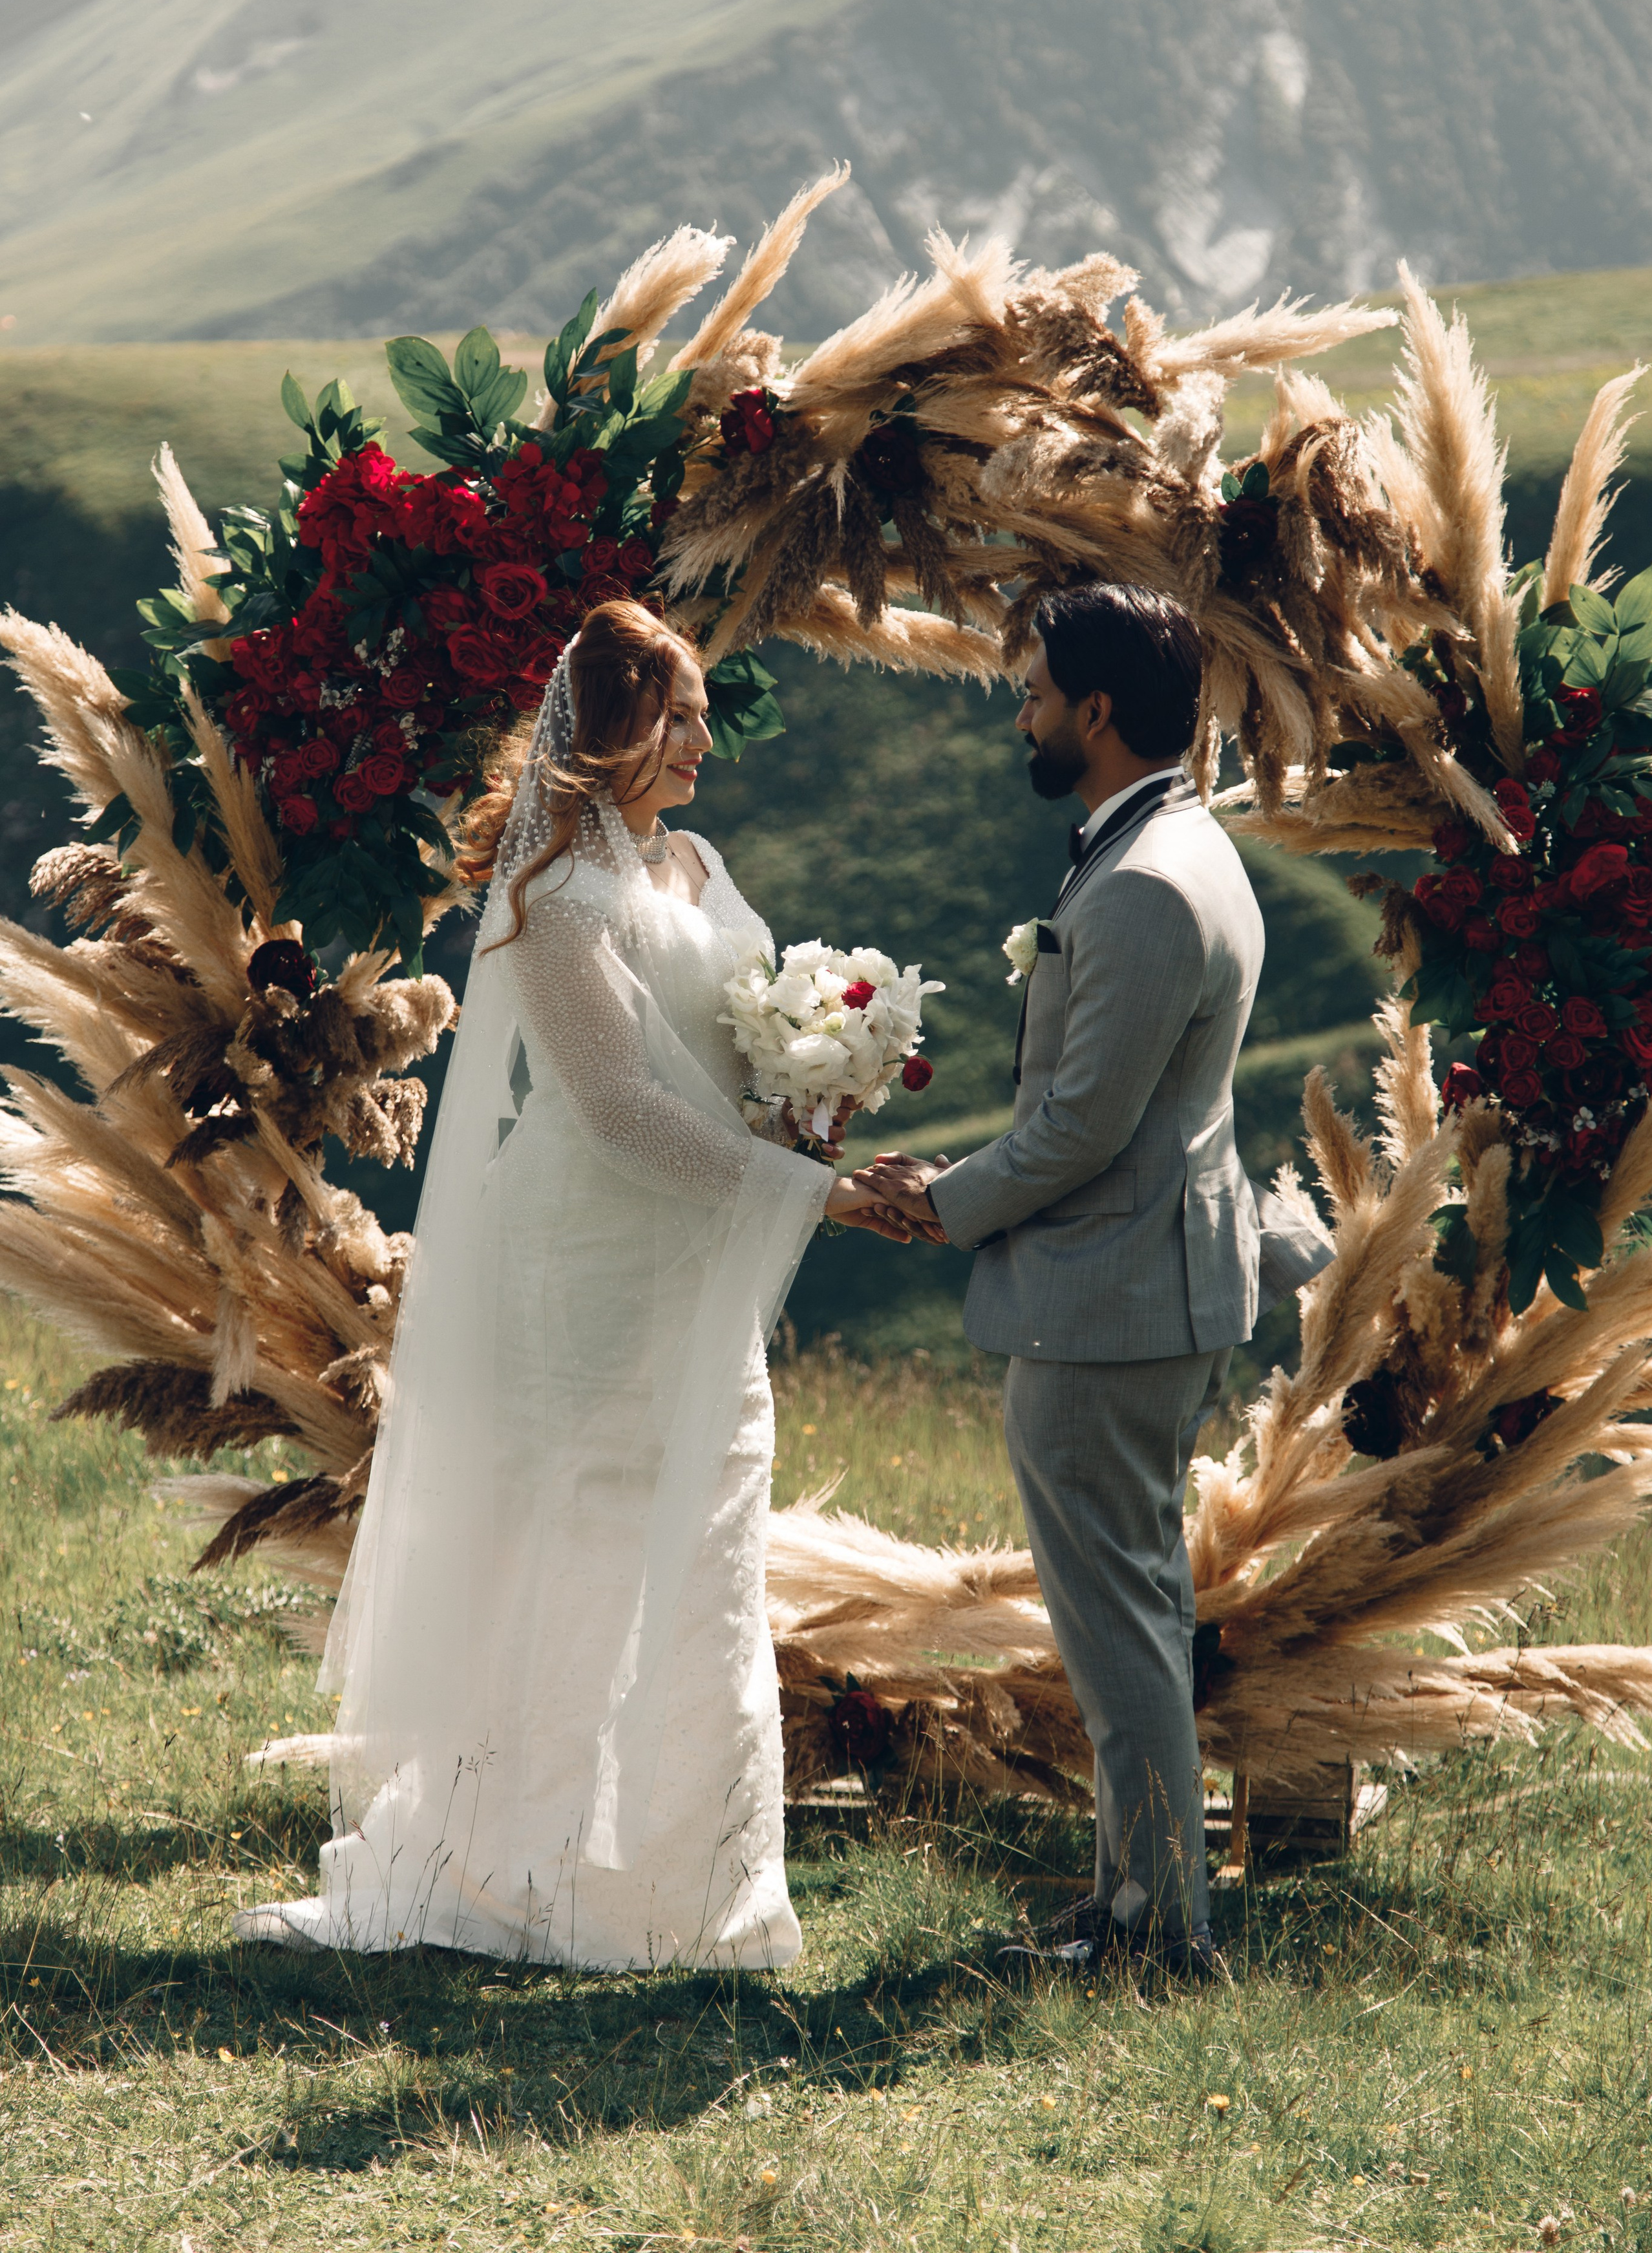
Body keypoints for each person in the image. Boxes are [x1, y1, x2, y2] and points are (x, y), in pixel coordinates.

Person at [233, 599, 898, 1967]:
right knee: (580, 1538)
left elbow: (722, 1059)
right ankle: (520, 1865)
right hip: (590, 1256)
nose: (708, 742)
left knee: (709, 1531)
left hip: (699, 1257)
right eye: (684, 715)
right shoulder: (551, 899)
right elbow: (614, 1110)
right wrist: (811, 1194)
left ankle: (689, 1887)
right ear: (612, 730)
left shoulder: (699, 865)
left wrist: (807, 1095)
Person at [864, 581, 1281, 1974]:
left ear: (1096, 711)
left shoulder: (1148, 887)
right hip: (1151, 1282)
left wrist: (942, 1208)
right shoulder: (1175, 846)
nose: (1021, 713)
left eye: (1035, 691)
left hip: (1110, 1300)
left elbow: (1079, 1127)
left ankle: (1157, 1929)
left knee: (1113, 1634)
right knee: (1134, 1614)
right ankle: (1134, 1902)